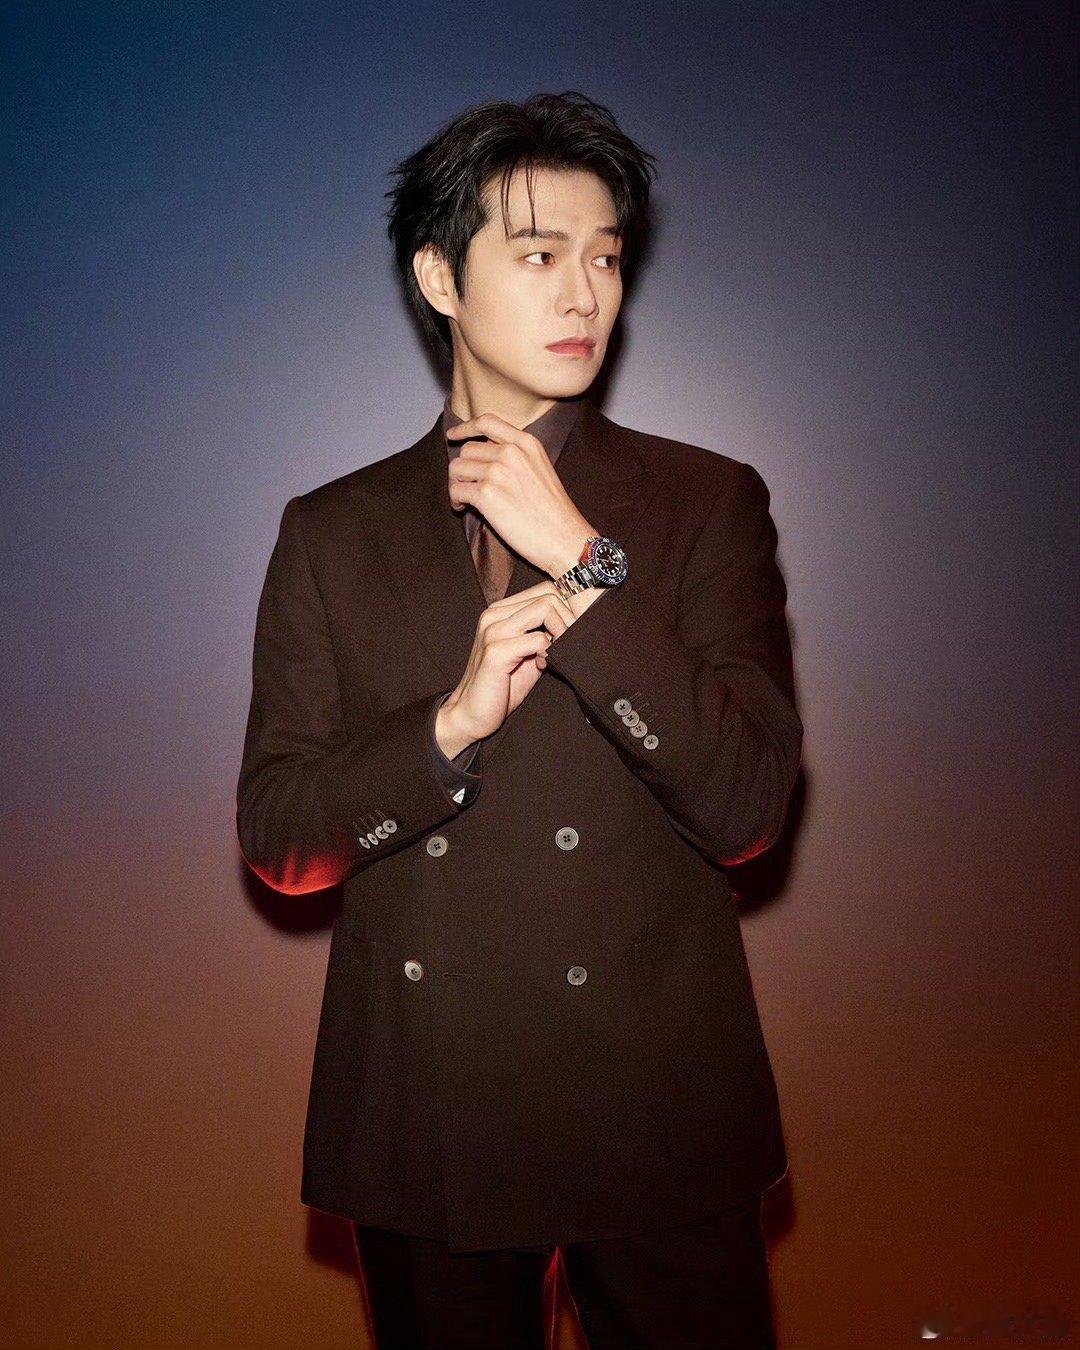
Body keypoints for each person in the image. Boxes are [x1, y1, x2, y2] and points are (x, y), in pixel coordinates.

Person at [236, 89, 802, 1349]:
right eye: (541, 256)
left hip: (658, 1098)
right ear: (440, 277)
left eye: (606, 256)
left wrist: (587, 567)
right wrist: (444, 729)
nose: (586, 294)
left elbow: (750, 807)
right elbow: (279, 838)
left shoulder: (705, 502)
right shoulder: (331, 531)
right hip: (431, 1103)